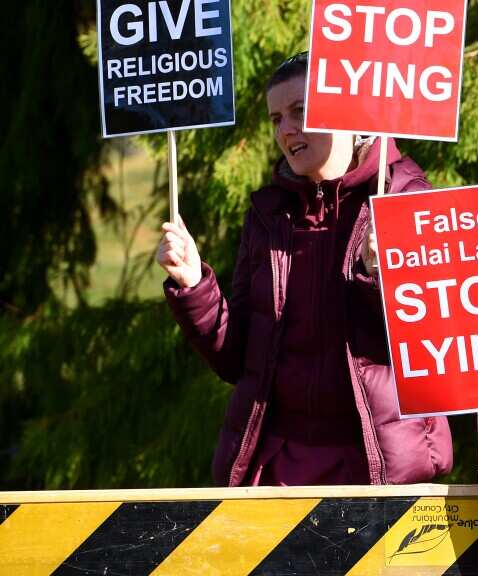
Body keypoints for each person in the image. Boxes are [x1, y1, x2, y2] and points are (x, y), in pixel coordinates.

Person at [156, 52, 453, 486]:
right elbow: (235, 357)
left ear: (347, 110)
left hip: (378, 473)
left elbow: (437, 351)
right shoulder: (267, 216)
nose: (285, 131)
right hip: (276, 473)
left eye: (300, 111)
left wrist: (382, 280)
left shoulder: (407, 199)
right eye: (276, 118)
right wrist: (194, 285)